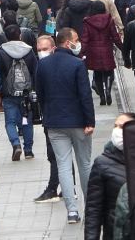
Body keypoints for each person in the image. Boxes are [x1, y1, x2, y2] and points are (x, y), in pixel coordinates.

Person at [36, 28, 95, 224]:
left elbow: (40, 94)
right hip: (78, 121)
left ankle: (71, 211)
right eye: (76, 39)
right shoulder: (78, 64)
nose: (78, 42)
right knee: (84, 164)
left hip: (54, 121)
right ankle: (90, 208)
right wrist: (89, 121)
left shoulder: (42, 65)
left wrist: (47, 114)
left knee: (63, 165)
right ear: (67, 43)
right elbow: (85, 95)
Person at [83, 113, 135, 240]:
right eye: (115, 126)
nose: (117, 131)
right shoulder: (103, 163)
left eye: (122, 127)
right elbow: (93, 210)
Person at [0, 25, 38, 161]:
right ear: (20, 35)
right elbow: (35, 72)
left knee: (10, 122)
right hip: (26, 93)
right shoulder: (29, 50)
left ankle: (15, 144)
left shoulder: (1, 51)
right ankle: (29, 150)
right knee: (27, 121)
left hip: (8, 93)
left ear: (6, 37)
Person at [81, 1, 122, 106]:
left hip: (93, 51)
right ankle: (108, 90)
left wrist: (80, 53)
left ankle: (102, 97)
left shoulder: (87, 22)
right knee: (109, 72)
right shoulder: (109, 20)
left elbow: (85, 39)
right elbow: (115, 36)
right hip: (106, 49)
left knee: (98, 74)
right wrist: (123, 47)